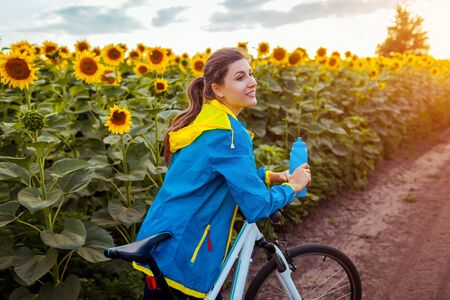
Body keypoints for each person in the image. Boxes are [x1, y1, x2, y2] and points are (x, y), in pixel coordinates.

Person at [134, 47, 311, 300]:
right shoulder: (228, 134)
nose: (252, 82)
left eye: (250, 74)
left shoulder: (205, 120)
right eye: (240, 77)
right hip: (187, 254)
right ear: (218, 89)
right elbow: (258, 205)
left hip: (164, 243)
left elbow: (215, 176)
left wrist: (276, 177)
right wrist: (293, 186)